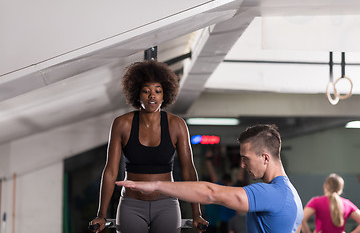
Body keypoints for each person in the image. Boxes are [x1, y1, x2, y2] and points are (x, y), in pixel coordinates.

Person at [89, 60, 207, 233]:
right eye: (146, 91)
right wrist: (102, 214)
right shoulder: (122, 124)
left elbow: (189, 171)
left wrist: (197, 213)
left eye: (157, 91)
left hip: (167, 204)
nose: (152, 95)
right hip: (131, 205)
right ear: (137, 94)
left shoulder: (177, 125)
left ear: (164, 95)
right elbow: (111, 172)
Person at [116, 124, 304, 232]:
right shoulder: (291, 193)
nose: (242, 165)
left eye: (246, 159)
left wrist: (156, 185)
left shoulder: (272, 194)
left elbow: (210, 193)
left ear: (265, 157)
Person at [204, 146, 247, 232]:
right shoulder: (232, 189)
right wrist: (242, 159)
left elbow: (213, 176)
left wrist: (208, 160)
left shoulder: (223, 189)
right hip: (228, 221)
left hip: (229, 221)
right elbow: (240, 175)